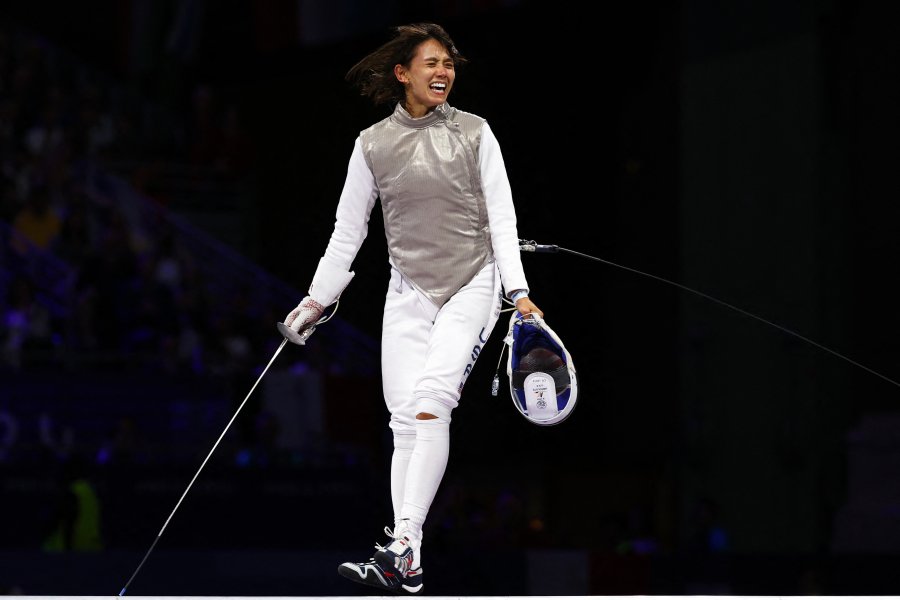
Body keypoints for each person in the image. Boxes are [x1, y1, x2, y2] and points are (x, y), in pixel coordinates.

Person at [282, 22, 543, 594]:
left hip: (473, 283)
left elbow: (503, 218)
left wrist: (517, 293)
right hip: (408, 292)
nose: (443, 71)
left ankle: (403, 541)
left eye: (448, 63)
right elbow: (347, 233)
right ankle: (409, 559)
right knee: (403, 420)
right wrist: (317, 299)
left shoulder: (476, 133)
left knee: (431, 403)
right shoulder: (371, 144)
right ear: (403, 73)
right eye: (430, 63)